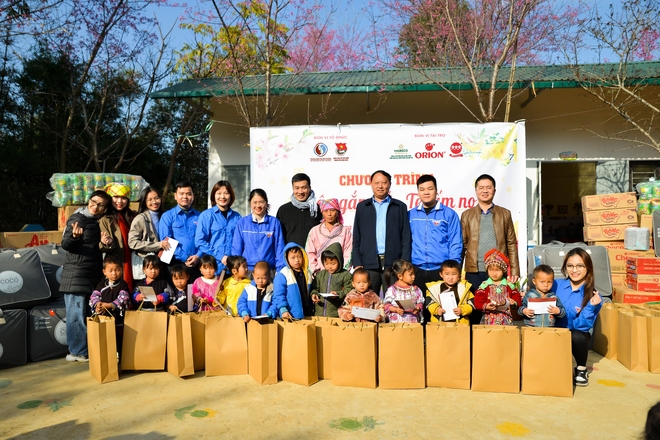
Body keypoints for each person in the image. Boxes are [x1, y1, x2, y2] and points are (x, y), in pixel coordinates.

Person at [60, 190, 112, 363]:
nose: (96, 206)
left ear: (105, 208)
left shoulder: (97, 222)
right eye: (94, 202)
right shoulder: (78, 218)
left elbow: (93, 248)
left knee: (88, 314)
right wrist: (74, 237)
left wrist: (105, 244)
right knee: (76, 315)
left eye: (101, 205)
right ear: (88, 200)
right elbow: (66, 244)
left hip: (91, 275)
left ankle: (85, 349)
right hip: (76, 274)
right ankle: (76, 352)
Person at [461, 174, 520, 324]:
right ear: (476, 190)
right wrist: (459, 272)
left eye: (488, 187)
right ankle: (477, 344)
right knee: (475, 307)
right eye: (481, 188)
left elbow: (511, 243)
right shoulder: (467, 215)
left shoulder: (504, 214)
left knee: (500, 308)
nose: (485, 191)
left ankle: (497, 343)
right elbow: (462, 245)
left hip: (498, 270)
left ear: (494, 190)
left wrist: (514, 271)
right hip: (474, 270)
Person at [352, 170, 411, 296]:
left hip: (394, 265)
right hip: (368, 263)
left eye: (384, 183)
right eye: (377, 183)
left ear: (389, 184)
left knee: (395, 301)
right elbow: (357, 237)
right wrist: (357, 263)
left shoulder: (400, 207)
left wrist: (404, 263)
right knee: (369, 301)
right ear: (371, 184)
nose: (380, 186)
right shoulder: (363, 207)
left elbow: (406, 237)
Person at [554, 247, 603, 387]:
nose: (574, 270)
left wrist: (590, 307)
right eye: (570, 266)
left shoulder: (594, 297)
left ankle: (581, 368)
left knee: (577, 335)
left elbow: (581, 326)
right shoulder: (555, 284)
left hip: (575, 332)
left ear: (588, 268)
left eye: (580, 266)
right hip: (553, 329)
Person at [409, 175, 462, 291]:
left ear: (436, 191)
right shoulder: (411, 215)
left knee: (441, 308)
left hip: (440, 271)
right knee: (418, 308)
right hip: (416, 270)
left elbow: (455, 242)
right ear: (418, 192)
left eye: (430, 188)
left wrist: (452, 270)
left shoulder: (449, 214)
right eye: (422, 189)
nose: (426, 192)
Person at [232, 189, 285, 271]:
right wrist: (237, 269)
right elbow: (236, 248)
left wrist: (279, 270)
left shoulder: (274, 222)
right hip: (247, 270)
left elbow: (279, 248)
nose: (258, 205)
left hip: (268, 271)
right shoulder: (242, 223)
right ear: (250, 203)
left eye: (261, 202)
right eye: (255, 202)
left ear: (266, 203)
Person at [195, 180, 241, 274]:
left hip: (234, 269)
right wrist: (221, 256)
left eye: (226, 193)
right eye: (219, 193)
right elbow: (200, 241)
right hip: (213, 269)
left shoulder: (237, 217)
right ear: (213, 196)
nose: (222, 197)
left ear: (231, 196)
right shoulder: (206, 215)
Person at [159, 181, 202, 278]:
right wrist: (185, 257)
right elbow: (167, 240)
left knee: (194, 292)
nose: (185, 197)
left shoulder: (200, 216)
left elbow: (205, 238)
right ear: (175, 196)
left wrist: (198, 255)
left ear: (193, 196)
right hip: (175, 264)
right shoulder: (167, 216)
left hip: (197, 263)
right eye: (181, 194)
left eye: (188, 194)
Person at [90, 255, 130, 355]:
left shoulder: (123, 284)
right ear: (104, 272)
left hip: (118, 320)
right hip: (104, 319)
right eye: (110, 270)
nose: (114, 273)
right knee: (106, 342)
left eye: (117, 270)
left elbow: (123, 298)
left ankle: (121, 363)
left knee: (119, 341)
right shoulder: (101, 284)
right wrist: (98, 305)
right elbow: (94, 296)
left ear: (122, 270)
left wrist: (110, 305)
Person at [99, 182, 136, 290]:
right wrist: (107, 242)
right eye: (115, 197)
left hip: (134, 261)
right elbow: (102, 246)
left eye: (123, 198)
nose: (119, 201)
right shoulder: (105, 219)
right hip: (116, 264)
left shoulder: (133, 216)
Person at [128, 186, 170, 280]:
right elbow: (132, 242)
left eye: (156, 198)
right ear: (144, 202)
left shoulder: (167, 216)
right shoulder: (140, 218)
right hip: (148, 266)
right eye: (149, 199)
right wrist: (157, 245)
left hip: (165, 263)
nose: (154, 202)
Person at [473, 249, 522, 326]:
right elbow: (477, 300)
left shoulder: (509, 285)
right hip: (489, 319)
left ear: (503, 270)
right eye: (491, 270)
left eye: (497, 270)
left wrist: (513, 302)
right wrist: (486, 306)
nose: (494, 273)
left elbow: (517, 297)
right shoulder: (484, 286)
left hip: (505, 319)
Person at [306, 198, 352, 273]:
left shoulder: (345, 231)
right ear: (322, 212)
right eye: (326, 211)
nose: (329, 214)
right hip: (319, 274)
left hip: (339, 274)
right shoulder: (314, 231)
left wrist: (342, 273)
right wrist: (316, 272)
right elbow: (309, 253)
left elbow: (348, 254)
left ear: (337, 212)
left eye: (332, 210)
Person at [276, 173, 322, 247]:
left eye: (304, 187)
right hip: (290, 256)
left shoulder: (318, 210)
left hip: (312, 256)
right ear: (293, 188)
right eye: (297, 188)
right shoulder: (283, 210)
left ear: (310, 188)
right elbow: (278, 238)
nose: (300, 192)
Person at [310, 243, 353, 318]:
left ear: (339, 261)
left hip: (336, 314)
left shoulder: (345, 275)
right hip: (319, 313)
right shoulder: (320, 274)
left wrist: (338, 294)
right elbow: (315, 288)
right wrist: (314, 295)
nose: (329, 266)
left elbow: (349, 290)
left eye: (333, 263)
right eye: (326, 263)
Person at [425, 259, 474, 324]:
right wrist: (437, 310)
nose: (450, 277)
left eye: (454, 274)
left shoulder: (464, 288)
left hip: (459, 324)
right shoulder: (434, 288)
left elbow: (471, 304)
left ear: (459, 274)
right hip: (440, 323)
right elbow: (429, 303)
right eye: (447, 274)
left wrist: (462, 310)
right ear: (441, 274)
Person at [273, 243, 314, 320]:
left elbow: (312, 290)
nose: (297, 260)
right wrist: (283, 310)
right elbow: (278, 295)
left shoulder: (308, 273)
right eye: (293, 257)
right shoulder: (283, 274)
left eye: (299, 256)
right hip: (291, 315)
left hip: (308, 315)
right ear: (286, 259)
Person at [383, 259, 424, 323]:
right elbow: (386, 305)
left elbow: (420, 302)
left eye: (414, 274)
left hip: (413, 322)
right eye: (410, 274)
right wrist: (396, 310)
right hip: (397, 323)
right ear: (400, 276)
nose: (414, 277)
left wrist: (418, 308)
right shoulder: (392, 290)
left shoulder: (416, 289)